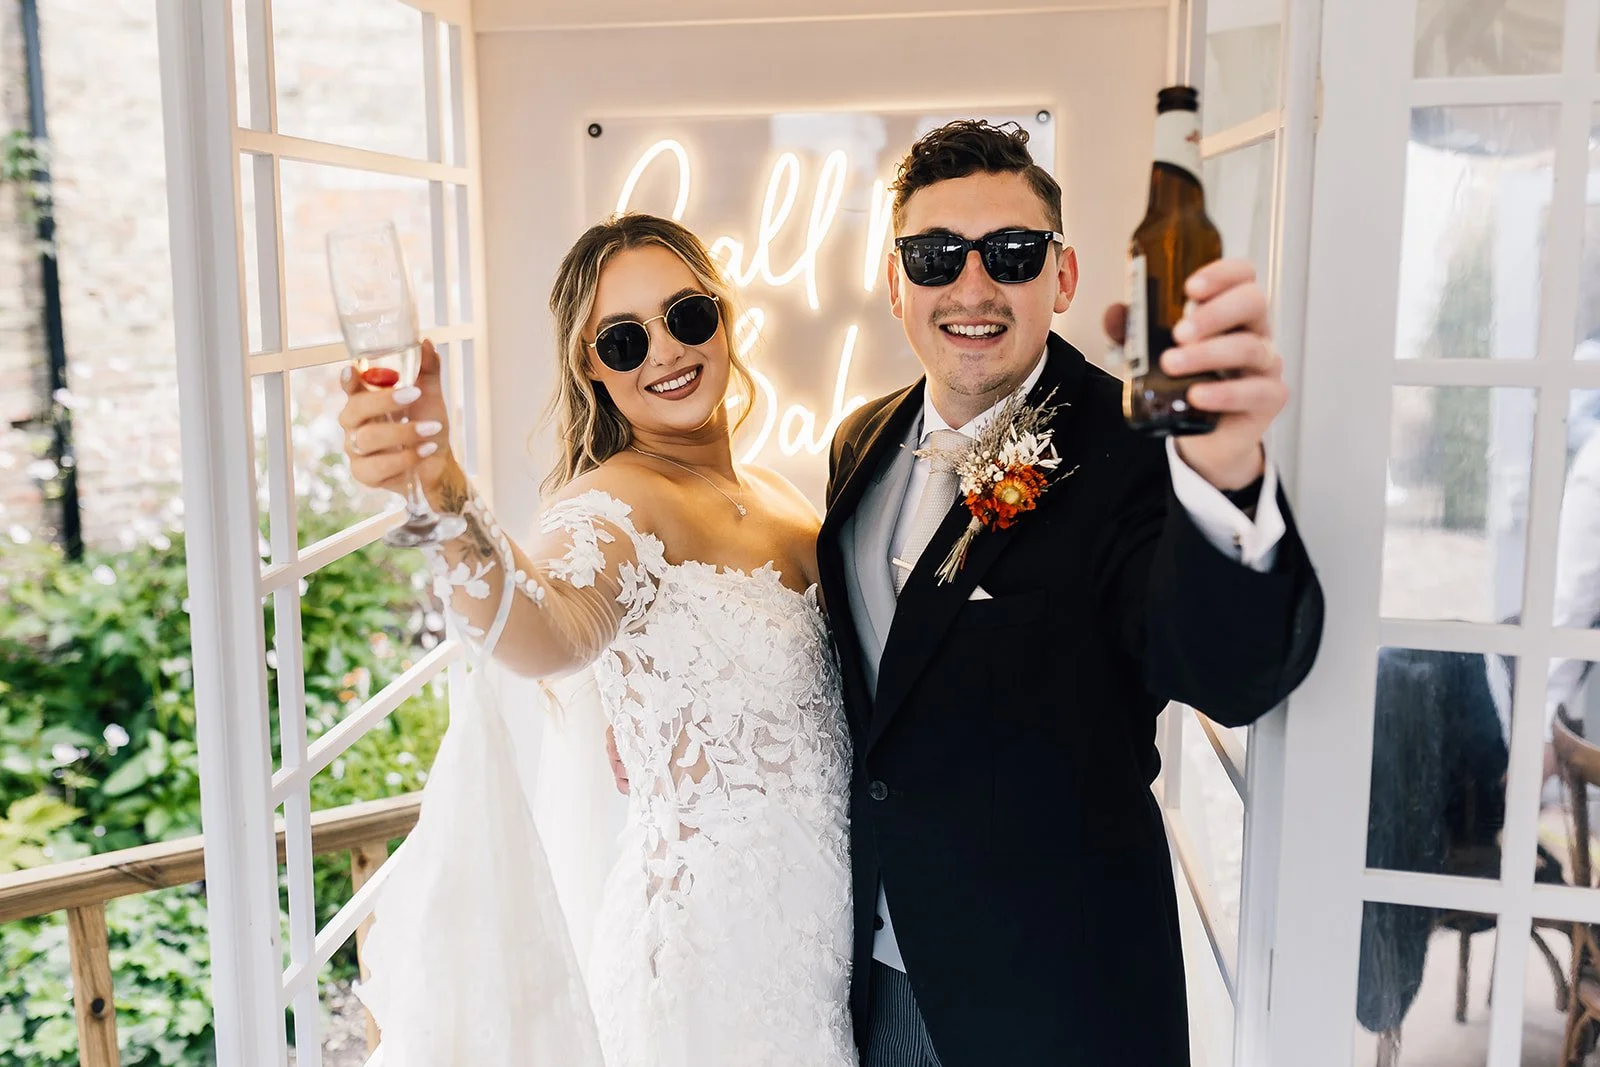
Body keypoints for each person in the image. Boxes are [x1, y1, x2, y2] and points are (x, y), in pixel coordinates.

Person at [820, 120, 1324, 1065]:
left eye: (1010, 253)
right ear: (896, 283)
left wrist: (1225, 466)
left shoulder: (1138, 447)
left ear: (1063, 275)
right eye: (935, 256)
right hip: (881, 979)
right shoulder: (858, 442)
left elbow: (1227, 665)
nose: (972, 287)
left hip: (1059, 1000)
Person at [337, 214, 855, 1066]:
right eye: (623, 339)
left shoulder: (782, 496)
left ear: (724, 316)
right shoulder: (612, 505)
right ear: (592, 366)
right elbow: (543, 627)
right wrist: (443, 496)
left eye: (685, 316)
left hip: (828, 957)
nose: (664, 352)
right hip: (714, 972)